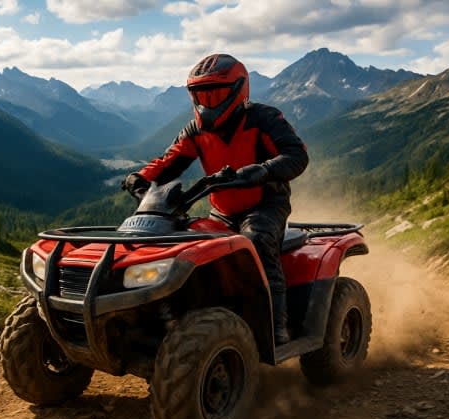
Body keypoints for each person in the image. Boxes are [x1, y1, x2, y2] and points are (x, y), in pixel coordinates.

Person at [122, 53, 309, 345]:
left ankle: (275, 326)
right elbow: (170, 161)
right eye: (201, 94)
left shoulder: (264, 119)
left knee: (257, 242)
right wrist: (141, 177)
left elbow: (297, 156)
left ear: (239, 90)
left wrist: (262, 170)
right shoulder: (195, 130)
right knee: (183, 248)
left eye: (216, 93)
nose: (209, 101)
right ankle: (176, 318)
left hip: (265, 205)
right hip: (221, 211)